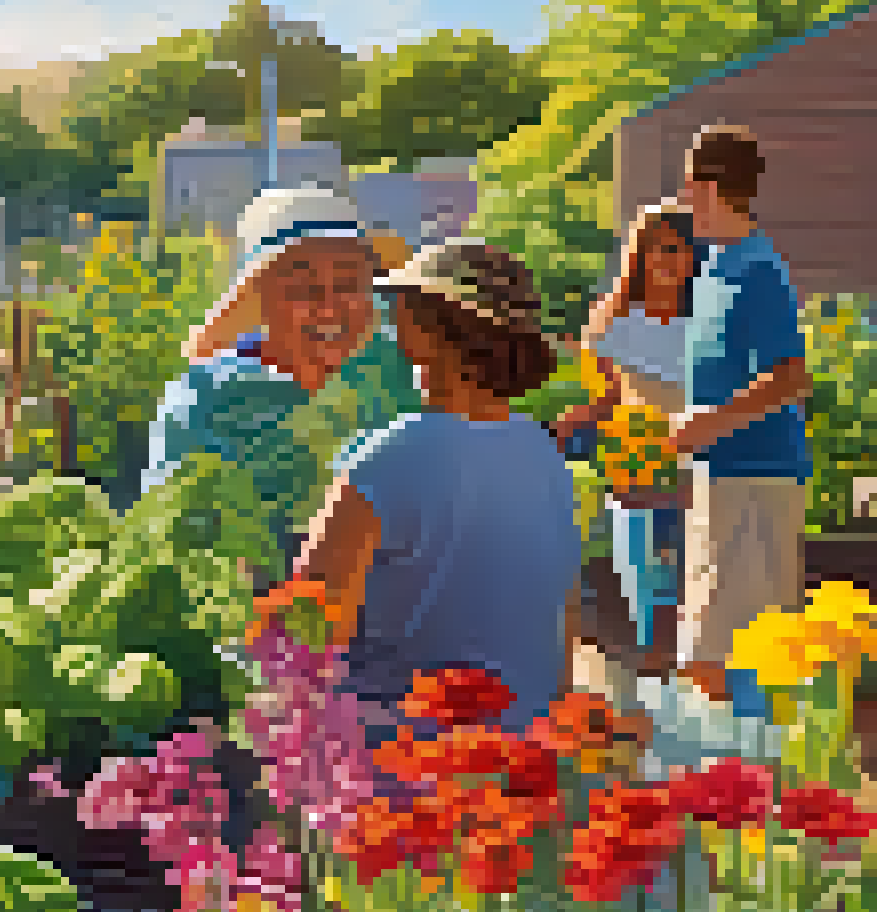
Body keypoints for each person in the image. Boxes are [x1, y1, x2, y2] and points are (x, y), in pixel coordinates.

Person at [296, 239, 582, 738]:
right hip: (519, 762)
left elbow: (307, 637)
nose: (390, 321)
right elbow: (563, 633)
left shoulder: (388, 459)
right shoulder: (545, 454)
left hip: (404, 764)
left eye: (401, 308)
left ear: (430, 332)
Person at [149, 188, 424, 574]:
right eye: (304, 290)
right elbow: (175, 523)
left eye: (348, 285)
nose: (329, 308)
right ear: (262, 298)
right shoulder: (205, 394)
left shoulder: (399, 367)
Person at [662, 125, 812, 707]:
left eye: (688, 181)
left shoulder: (760, 270)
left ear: (709, 186)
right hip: (717, 473)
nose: (681, 194)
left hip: (756, 476)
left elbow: (787, 377)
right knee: (706, 638)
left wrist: (705, 425)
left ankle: (745, 775)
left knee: (730, 647)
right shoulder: (715, 264)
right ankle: (724, 771)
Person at [552, 203, 705, 664]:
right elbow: (608, 398)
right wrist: (559, 428)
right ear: (638, 257)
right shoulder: (617, 323)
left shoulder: (711, 324)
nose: (665, 261)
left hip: (695, 462)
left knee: (693, 571)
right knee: (639, 568)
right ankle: (648, 662)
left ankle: (687, 665)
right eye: (655, 250)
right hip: (635, 463)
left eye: (676, 251)